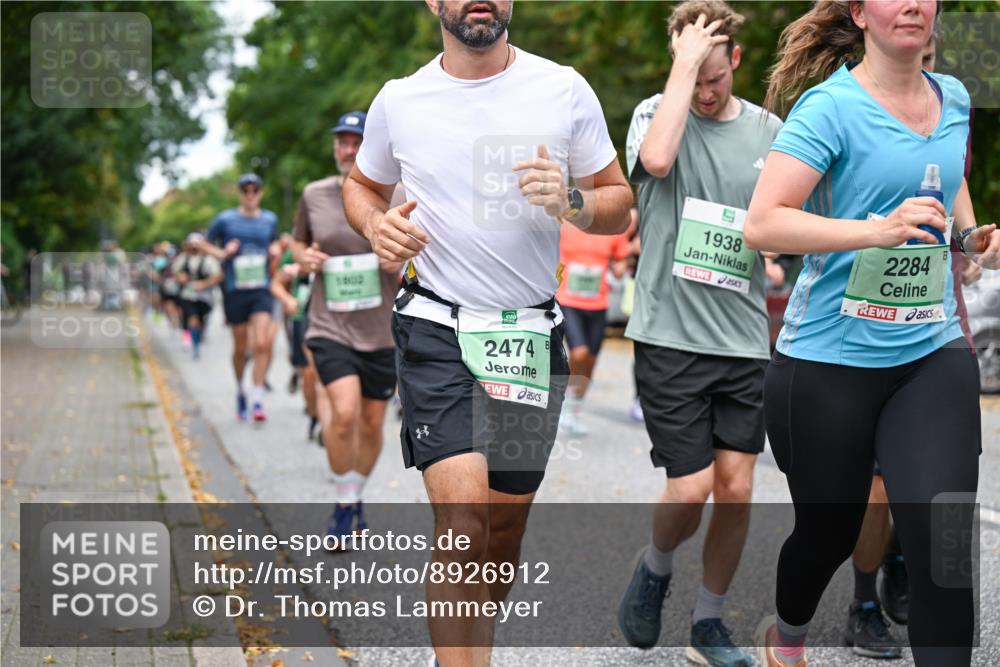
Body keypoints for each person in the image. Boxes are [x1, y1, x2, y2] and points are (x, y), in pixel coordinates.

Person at [343, 1, 633, 663]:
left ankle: (480, 642)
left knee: (501, 532)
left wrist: (571, 199)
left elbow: (617, 201)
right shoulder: (401, 100)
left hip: (528, 334)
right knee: (463, 523)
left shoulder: (562, 88)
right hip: (436, 324)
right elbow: (361, 186)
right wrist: (373, 224)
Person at [745, 2, 1000, 666]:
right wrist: (874, 230)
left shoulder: (956, 97)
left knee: (944, 546)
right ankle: (788, 637)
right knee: (828, 533)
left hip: (930, 352)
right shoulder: (828, 109)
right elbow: (764, 223)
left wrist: (971, 238)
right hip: (828, 361)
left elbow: (947, 182)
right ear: (859, 12)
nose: (913, 4)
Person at [616, 3, 783, 665]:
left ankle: (709, 621)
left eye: (716, 76)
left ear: (737, 61)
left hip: (742, 337)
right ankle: (655, 565)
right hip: (670, 333)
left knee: (738, 486)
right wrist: (682, 72)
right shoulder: (654, 116)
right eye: (695, 74)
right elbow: (656, 162)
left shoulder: (772, 133)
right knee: (691, 486)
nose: (707, 90)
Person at [292, 111, 403, 541]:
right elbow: (298, 241)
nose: (349, 149)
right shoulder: (314, 194)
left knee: (372, 424)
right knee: (343, 413)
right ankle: (342, 504)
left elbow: (419, 248)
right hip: (329, 324)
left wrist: (401, 258)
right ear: (335, 147)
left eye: (357, 141)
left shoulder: (396, 194)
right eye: (342, 141)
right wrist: (303, 258)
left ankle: (355, 497)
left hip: (381, 330)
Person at [200, 173, 279, 422]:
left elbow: (274, 245)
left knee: (262, 344)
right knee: (240, 347)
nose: (250, 194)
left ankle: (257, 399)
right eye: (245, 190)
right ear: (239, 193)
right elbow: (203, 244)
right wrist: (223, 253)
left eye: (254, 190)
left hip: (261, 289)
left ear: (260, 193)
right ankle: (241, 390)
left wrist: (275, 251)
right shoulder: (225, 219)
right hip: (235, 291)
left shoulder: (270, 219)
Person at [556, 208, 632, 435]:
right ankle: (564, 404)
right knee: (579, 352)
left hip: (598, 304)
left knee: (590, 360)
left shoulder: (612, 231)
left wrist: (620, 268)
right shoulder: (565, 224)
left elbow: (621, 261)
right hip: (568, 300)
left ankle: (574, 409)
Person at [270, 248, 319, 439]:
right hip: (304, 314)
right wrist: (288, 300)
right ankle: (315, 417)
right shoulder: (297, 248)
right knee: (310, 372)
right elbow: (276, 284)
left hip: (338, 316)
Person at [175, 232, 223, 360]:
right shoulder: (183, 258)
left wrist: (204, 284)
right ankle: (194, 346)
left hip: (205, 296)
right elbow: (175, 273)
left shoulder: (209, 260)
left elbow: (217, 276)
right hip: (188, 295)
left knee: (199, 321)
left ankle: (196, 337)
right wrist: (181, 278)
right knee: (192, 318)